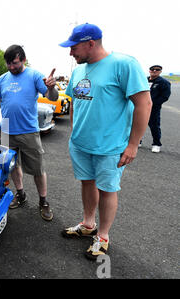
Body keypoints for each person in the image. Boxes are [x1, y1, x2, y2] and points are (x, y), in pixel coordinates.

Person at [59, 23, 152, 260]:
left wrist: (133, 144)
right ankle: (88, 224)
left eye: (74, 47)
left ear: (91, 43)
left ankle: (102, 235)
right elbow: (76, 103)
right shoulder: (79, 71)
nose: (71, 52)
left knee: (108, 189)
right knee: (87, 183)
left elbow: (144, 104)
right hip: (80, 144)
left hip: (109, 147)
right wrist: (73, 132)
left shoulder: (123, 64)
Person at [0, 45, 58, 221]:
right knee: (12, 166)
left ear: (24, 59)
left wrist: (51, 87)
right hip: (5, 131)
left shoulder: (34, 75)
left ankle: (43, 201)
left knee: (37, 169)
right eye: (8, 64)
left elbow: (53, 97)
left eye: (15, 63)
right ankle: (21, 194)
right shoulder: (3, 79)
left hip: (29, 132)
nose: (11, 67)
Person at [144, 65, 171, 153]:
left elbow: (165, 96)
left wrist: (152, 104)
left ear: (160, 71)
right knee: (138, 124)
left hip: (153, 108)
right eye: (152, 69)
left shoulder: (163, 82)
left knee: (154, 126)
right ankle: (138, 141)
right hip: (140, 107)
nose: (154, 71)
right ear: (149, 70)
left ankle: (156, 144)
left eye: (157, 70)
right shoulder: (143, 80)